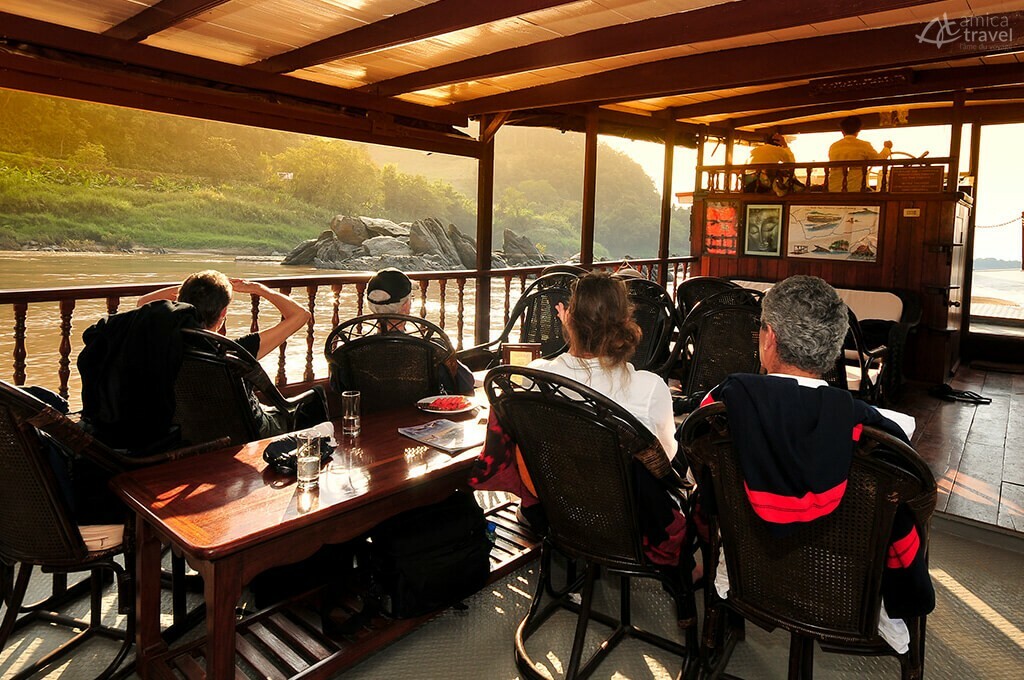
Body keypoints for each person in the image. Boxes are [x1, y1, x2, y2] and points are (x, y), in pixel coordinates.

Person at [696, 275, 933, 654]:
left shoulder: (720, 407)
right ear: (835, 346)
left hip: (747, 569)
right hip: (845, 592)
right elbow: (910, 512)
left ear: (769, 336)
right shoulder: (877, 435)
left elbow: (702, 480)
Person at [471, 271, 687, 566]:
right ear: (626, 323)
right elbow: (664, 460)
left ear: (569, 318)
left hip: (557, 512)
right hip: (623, 525)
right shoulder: (649, 388)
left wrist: (572, 335)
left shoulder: (533, 377)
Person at [137, 270, 326, 436]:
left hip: (192, 430)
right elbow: (301, 315)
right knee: (315, 397)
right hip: (248, 431)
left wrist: (193, 288)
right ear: (223, 314)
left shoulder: (167, 341)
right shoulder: (234, 350)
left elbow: (143, 302)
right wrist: (259, 289)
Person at [363, 268, 474, 396]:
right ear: (405, 306)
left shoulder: (351, 350)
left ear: (370, 306)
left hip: (367, 415)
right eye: (411, 298)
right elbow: (465, 382)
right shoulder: (432, 349)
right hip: (424, 415)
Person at [828, 115, 892, 192]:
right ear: (859, 130)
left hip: (833, 189)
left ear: (842, 131)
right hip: (856, 189)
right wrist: (887, 148)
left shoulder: (834, 146)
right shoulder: (864, 145)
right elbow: (879, 160)